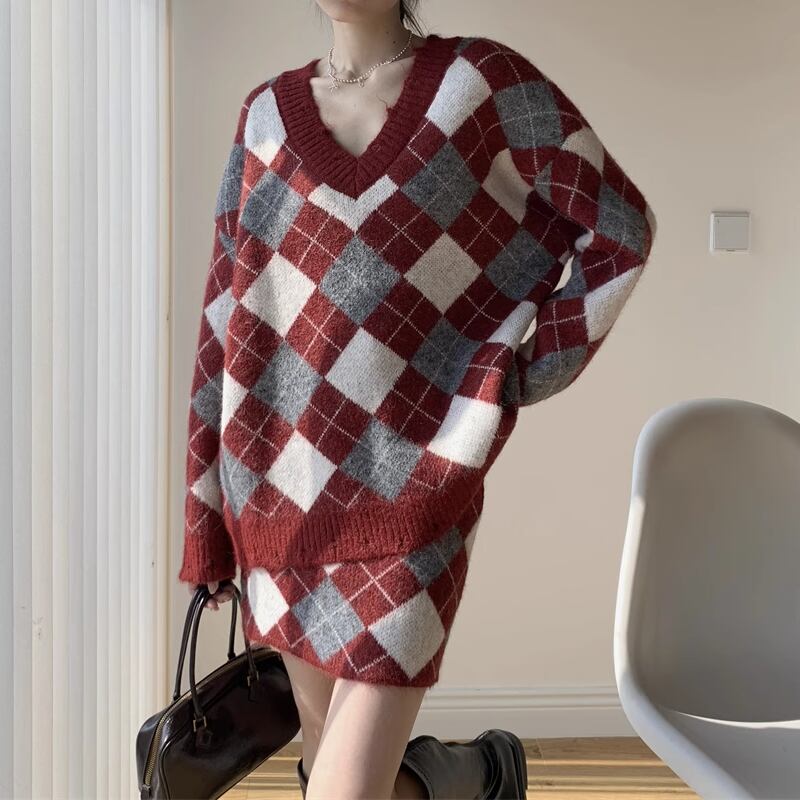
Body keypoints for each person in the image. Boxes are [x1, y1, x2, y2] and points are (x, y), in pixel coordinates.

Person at [180, 1, 657, 797]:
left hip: (416, 497)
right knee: (326, 771)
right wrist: (204, 526)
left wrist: (514, 374)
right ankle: (467, 777)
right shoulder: (262, 117)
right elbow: (222, 325)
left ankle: (461, 775)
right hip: (277, 503)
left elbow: (621, 231)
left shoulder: (483, 85)